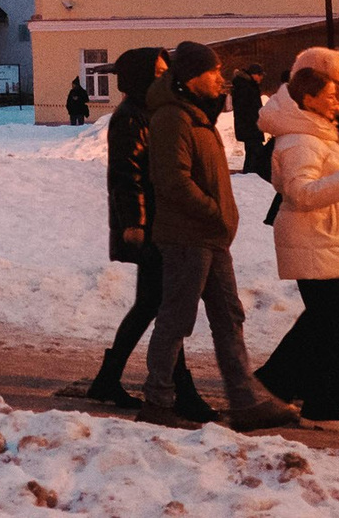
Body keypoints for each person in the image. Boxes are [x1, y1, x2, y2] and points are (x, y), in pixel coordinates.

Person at [138, 40, 298, 432]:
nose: (220, 79)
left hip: (210, 236)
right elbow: (172, 180)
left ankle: (245, 401)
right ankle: (157, 401)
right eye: (212, 72)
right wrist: (213, 212)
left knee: (229, 316)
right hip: (187, 236)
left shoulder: (195, 115)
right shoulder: (172, 118)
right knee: (176, 318)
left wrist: (220, 220)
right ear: (191, 77)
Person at [254, 51, 339, 430]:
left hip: (328, 233)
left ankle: (291, 384)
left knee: (329, 316)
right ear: (309, 97)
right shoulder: (299, 138)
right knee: (326, 318)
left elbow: (335, 158)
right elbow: (301, 189)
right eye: (332, 92)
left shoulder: (315, 127)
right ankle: (310, 399)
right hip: (315, 233)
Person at [82, 46, 209, 421]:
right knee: (165, 306)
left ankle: (108, 378)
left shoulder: (155, 111)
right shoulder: (130, 116)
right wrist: (135, 225)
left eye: (164, 68)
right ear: (138, 77)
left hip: (163, 221)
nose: (163, 75)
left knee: (151, 305)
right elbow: (127, 176)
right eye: (156, 70)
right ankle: (180, 389)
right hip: (150, 226)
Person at [231, 63, 270, 180]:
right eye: (260, 75)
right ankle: (251, 176)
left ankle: (249, 175)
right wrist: (256, 121)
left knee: (252, 152)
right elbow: (249, 108)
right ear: (253, 74)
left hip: (248, 126)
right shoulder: (247, 87)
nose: (261, 78)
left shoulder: (245, 85)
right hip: (250, 126)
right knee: (255, 152)